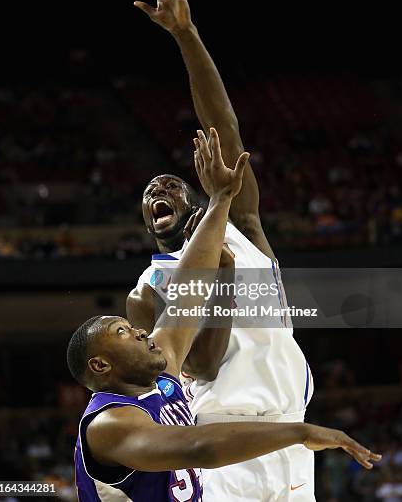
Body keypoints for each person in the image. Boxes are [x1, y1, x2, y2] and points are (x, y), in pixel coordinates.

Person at [69, 130, 381, 502]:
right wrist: (300, 433)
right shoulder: (109, 423)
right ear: (102, 365)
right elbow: (201, 448)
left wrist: (219, 201)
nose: (139, 330)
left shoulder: (163, 378)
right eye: (122, 331)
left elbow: (190, 291)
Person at [128, 0, 316, 501]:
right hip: (222, 443)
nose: (155, 189)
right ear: (149, 224)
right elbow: (202, 366)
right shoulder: (149, 290)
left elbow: (224, 126)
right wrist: (224, 276)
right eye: (147, 194)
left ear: (201, 192)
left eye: (168, 184)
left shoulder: (245, 227)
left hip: (291, 436)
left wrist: (186, 35)